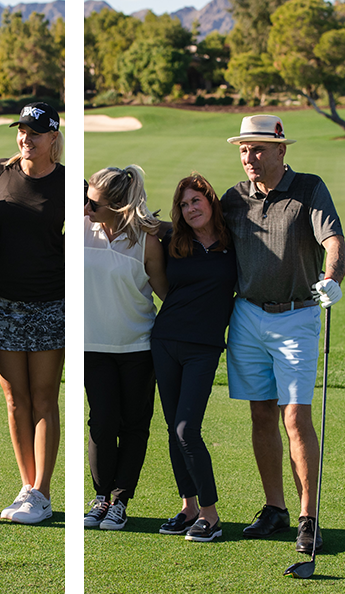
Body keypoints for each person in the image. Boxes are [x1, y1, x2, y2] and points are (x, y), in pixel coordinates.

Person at [221, 114, 345, 554]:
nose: (249, 158)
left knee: (295, 418)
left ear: (281, 150)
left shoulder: (309, 189)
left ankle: (307, 516)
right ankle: (274, 508)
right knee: (261, 414)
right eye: (243, 149)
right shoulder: (233, 199)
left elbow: (333, 242)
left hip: (296, 316)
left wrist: (333, 278)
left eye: (258, 149)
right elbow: (196, 236)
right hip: (247, 315)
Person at [0, 102, 66, 525]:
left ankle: (42, 493)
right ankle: (27, 486)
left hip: (51, 301)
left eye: (34, 132)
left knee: (45, 397)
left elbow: (100, 221)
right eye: (21, 131)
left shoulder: (70, 181)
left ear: (53, 138)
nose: (25, 138)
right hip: (4, 301)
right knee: (15, 401)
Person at [151, 173, 237, 542]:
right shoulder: (173, 238)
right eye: (183, 205)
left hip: (204, 348)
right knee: (174, 430)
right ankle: (188, 508)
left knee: (187, 429)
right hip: (166, 339)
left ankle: (211, 515)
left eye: (195, 202)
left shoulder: (234, 241)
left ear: (210, 201)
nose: (189, 210)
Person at [83, 165, 167, 530]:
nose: (86, 209)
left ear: (118, 206)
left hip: (137, 347)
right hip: (91, 346)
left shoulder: (147, 242)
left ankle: (120, 500)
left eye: (93, 205)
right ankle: (100, 497)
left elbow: (166, 294)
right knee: (101, 423)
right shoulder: (81, 229)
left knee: (134, 425)